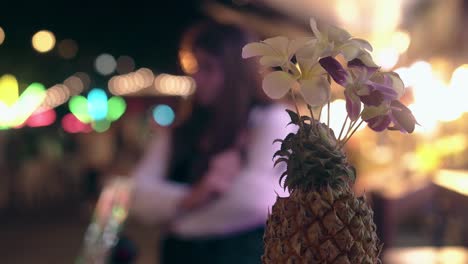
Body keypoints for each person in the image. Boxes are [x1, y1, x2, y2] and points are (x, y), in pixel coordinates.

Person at [130, 21, 293, 264]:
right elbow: (137, 194)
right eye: (193, 66)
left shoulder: (270, 120)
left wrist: (176, 220)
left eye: (208, 67)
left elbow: (258, 200)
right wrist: (195, 196)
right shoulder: (182, 129)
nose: (196, 76)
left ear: (236, 71)